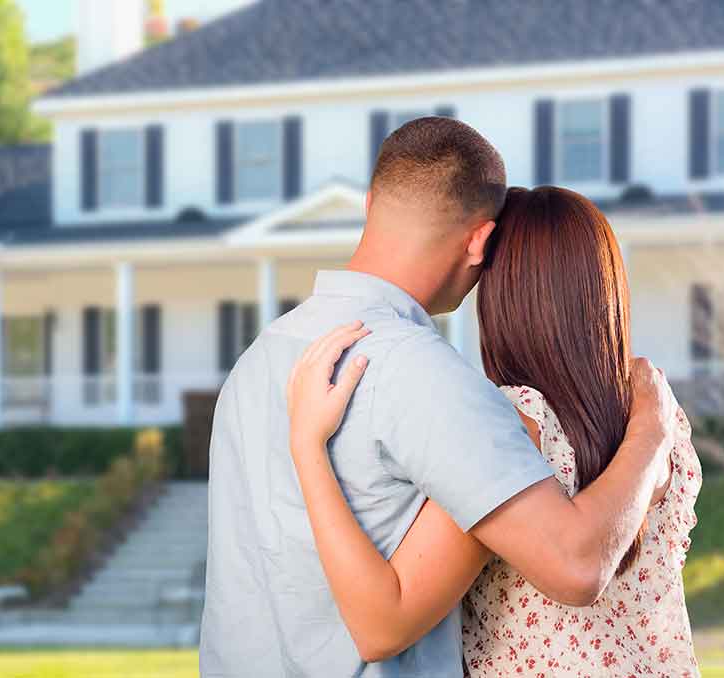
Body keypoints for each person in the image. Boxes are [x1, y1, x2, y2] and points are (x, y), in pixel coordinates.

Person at [200, 117, 677, 677]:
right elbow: (575, 567)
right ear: (480, 240)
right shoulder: (425, 375)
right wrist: (652, 432)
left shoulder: (258, 361)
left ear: (372, 201)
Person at [286, 186, 701, 676]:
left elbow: (384, 624)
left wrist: (307, 444)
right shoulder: (655, 414)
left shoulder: (514, 423)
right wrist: (649, 431)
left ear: (503, 297)